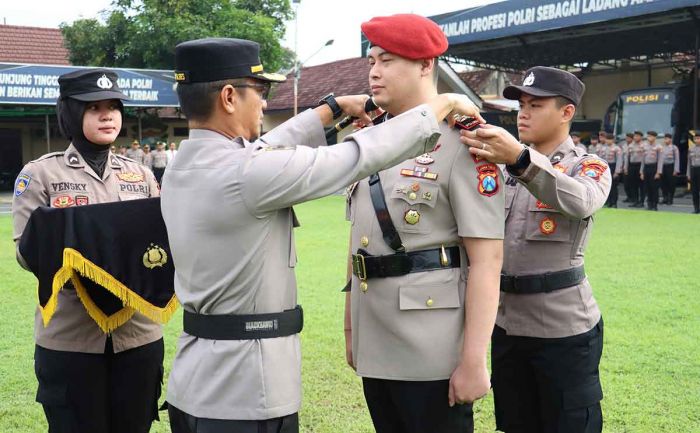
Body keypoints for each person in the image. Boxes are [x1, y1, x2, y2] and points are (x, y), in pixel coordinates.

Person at [160, 37, 483, 433]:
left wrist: (329, 111)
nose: (264, 104)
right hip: (245, 394)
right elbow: (355, 156)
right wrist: (443, 104)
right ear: (229, 97)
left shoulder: (184, 165)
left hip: (194, 386)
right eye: (259, 92)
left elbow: (262, 150)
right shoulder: (246, 174)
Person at [343, 14, 504, 433]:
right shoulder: (371, 141)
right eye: (372, 60)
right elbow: (359, 240)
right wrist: (349, 325)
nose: (375, 71)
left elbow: (487, 260)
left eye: (389, 60)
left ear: (425, 65)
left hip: (431, 346)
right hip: (374, 332)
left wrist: (474, 359)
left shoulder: (465, 141)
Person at [11, 69, 163, 433]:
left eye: (113, 106)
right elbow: (24, 253)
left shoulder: (140, 175)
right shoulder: (40, 175)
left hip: (137, 333)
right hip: (71, 338)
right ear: (71, 114)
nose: (107, 114)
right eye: (94, 107)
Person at [461, 66, 610, 433]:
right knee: (515, 423)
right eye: (521, 105)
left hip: (563, 329)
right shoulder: (499, 168)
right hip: (506, 325)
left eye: (536, 105)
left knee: (569, 424)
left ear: (567, 112)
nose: (523, 113)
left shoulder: (586, 166)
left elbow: (583, 201)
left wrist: (521, 160)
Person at [640, 130, 662, 210]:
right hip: (646, 167)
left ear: (655, 137)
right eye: (648, 136)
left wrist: (658, 172)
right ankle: (649, 204)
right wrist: (641, 172)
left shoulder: (658, 147)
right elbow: (643, 160)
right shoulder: (644, 146)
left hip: (654, 168)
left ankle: (655, 205)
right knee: (647, 187)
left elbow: (660, 160)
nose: (649, 138)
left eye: (651, 136)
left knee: (654, 188)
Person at [600, 132, 622, 207]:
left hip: (613, 166)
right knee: (606, 185)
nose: (608, 141)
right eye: (607, 139)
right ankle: (608, 202)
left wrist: (617, 171)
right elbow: (600, 159)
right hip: (605, 167)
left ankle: (614, 203)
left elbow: (619, 160)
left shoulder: (617, 148)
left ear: (613, 140)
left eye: (610, 139)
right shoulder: (603, 148)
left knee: (613, 186)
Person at [659, 133, 679, 205]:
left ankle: (670, 199)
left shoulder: (674, 148)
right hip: (663, 167)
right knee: (663, 183)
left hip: (671, 167)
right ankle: (665, 197)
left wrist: (676, 170)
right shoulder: (662, 147)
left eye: (667, 139)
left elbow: (677, 159)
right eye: (665, 139)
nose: (665, 140)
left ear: (670, 139)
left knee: (671, 183)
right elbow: (660, 159)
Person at [627, 131, 645, 207]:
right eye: (635, 136)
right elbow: (627, 157)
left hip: (640, 165)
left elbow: (644, 158)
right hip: (632, 165)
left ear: (641, 137)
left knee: (641, 185)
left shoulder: (644, 145)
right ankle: (635, 201)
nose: (635, 137)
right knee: (633, 184)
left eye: (637, 136)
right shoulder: (631, 145)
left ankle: (642, 201)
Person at [687, 131, 700, 214]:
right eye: (695, 138)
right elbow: (688, 162)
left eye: (698, 138)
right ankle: (696, 208)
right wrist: (688, 174)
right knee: (694, 191)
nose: (696, 140)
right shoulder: (691, 148)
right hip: (693, 170)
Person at [620, 132, 634, 202]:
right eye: (626, 138)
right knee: (626, 184)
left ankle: (633, 197)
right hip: (624, 165)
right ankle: (628, 196)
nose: (627, 139)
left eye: (629, 138)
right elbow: (622, 157)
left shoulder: (633, 146)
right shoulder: (624, 146)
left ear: (632, 139)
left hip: (631, 166)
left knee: (632, 183)